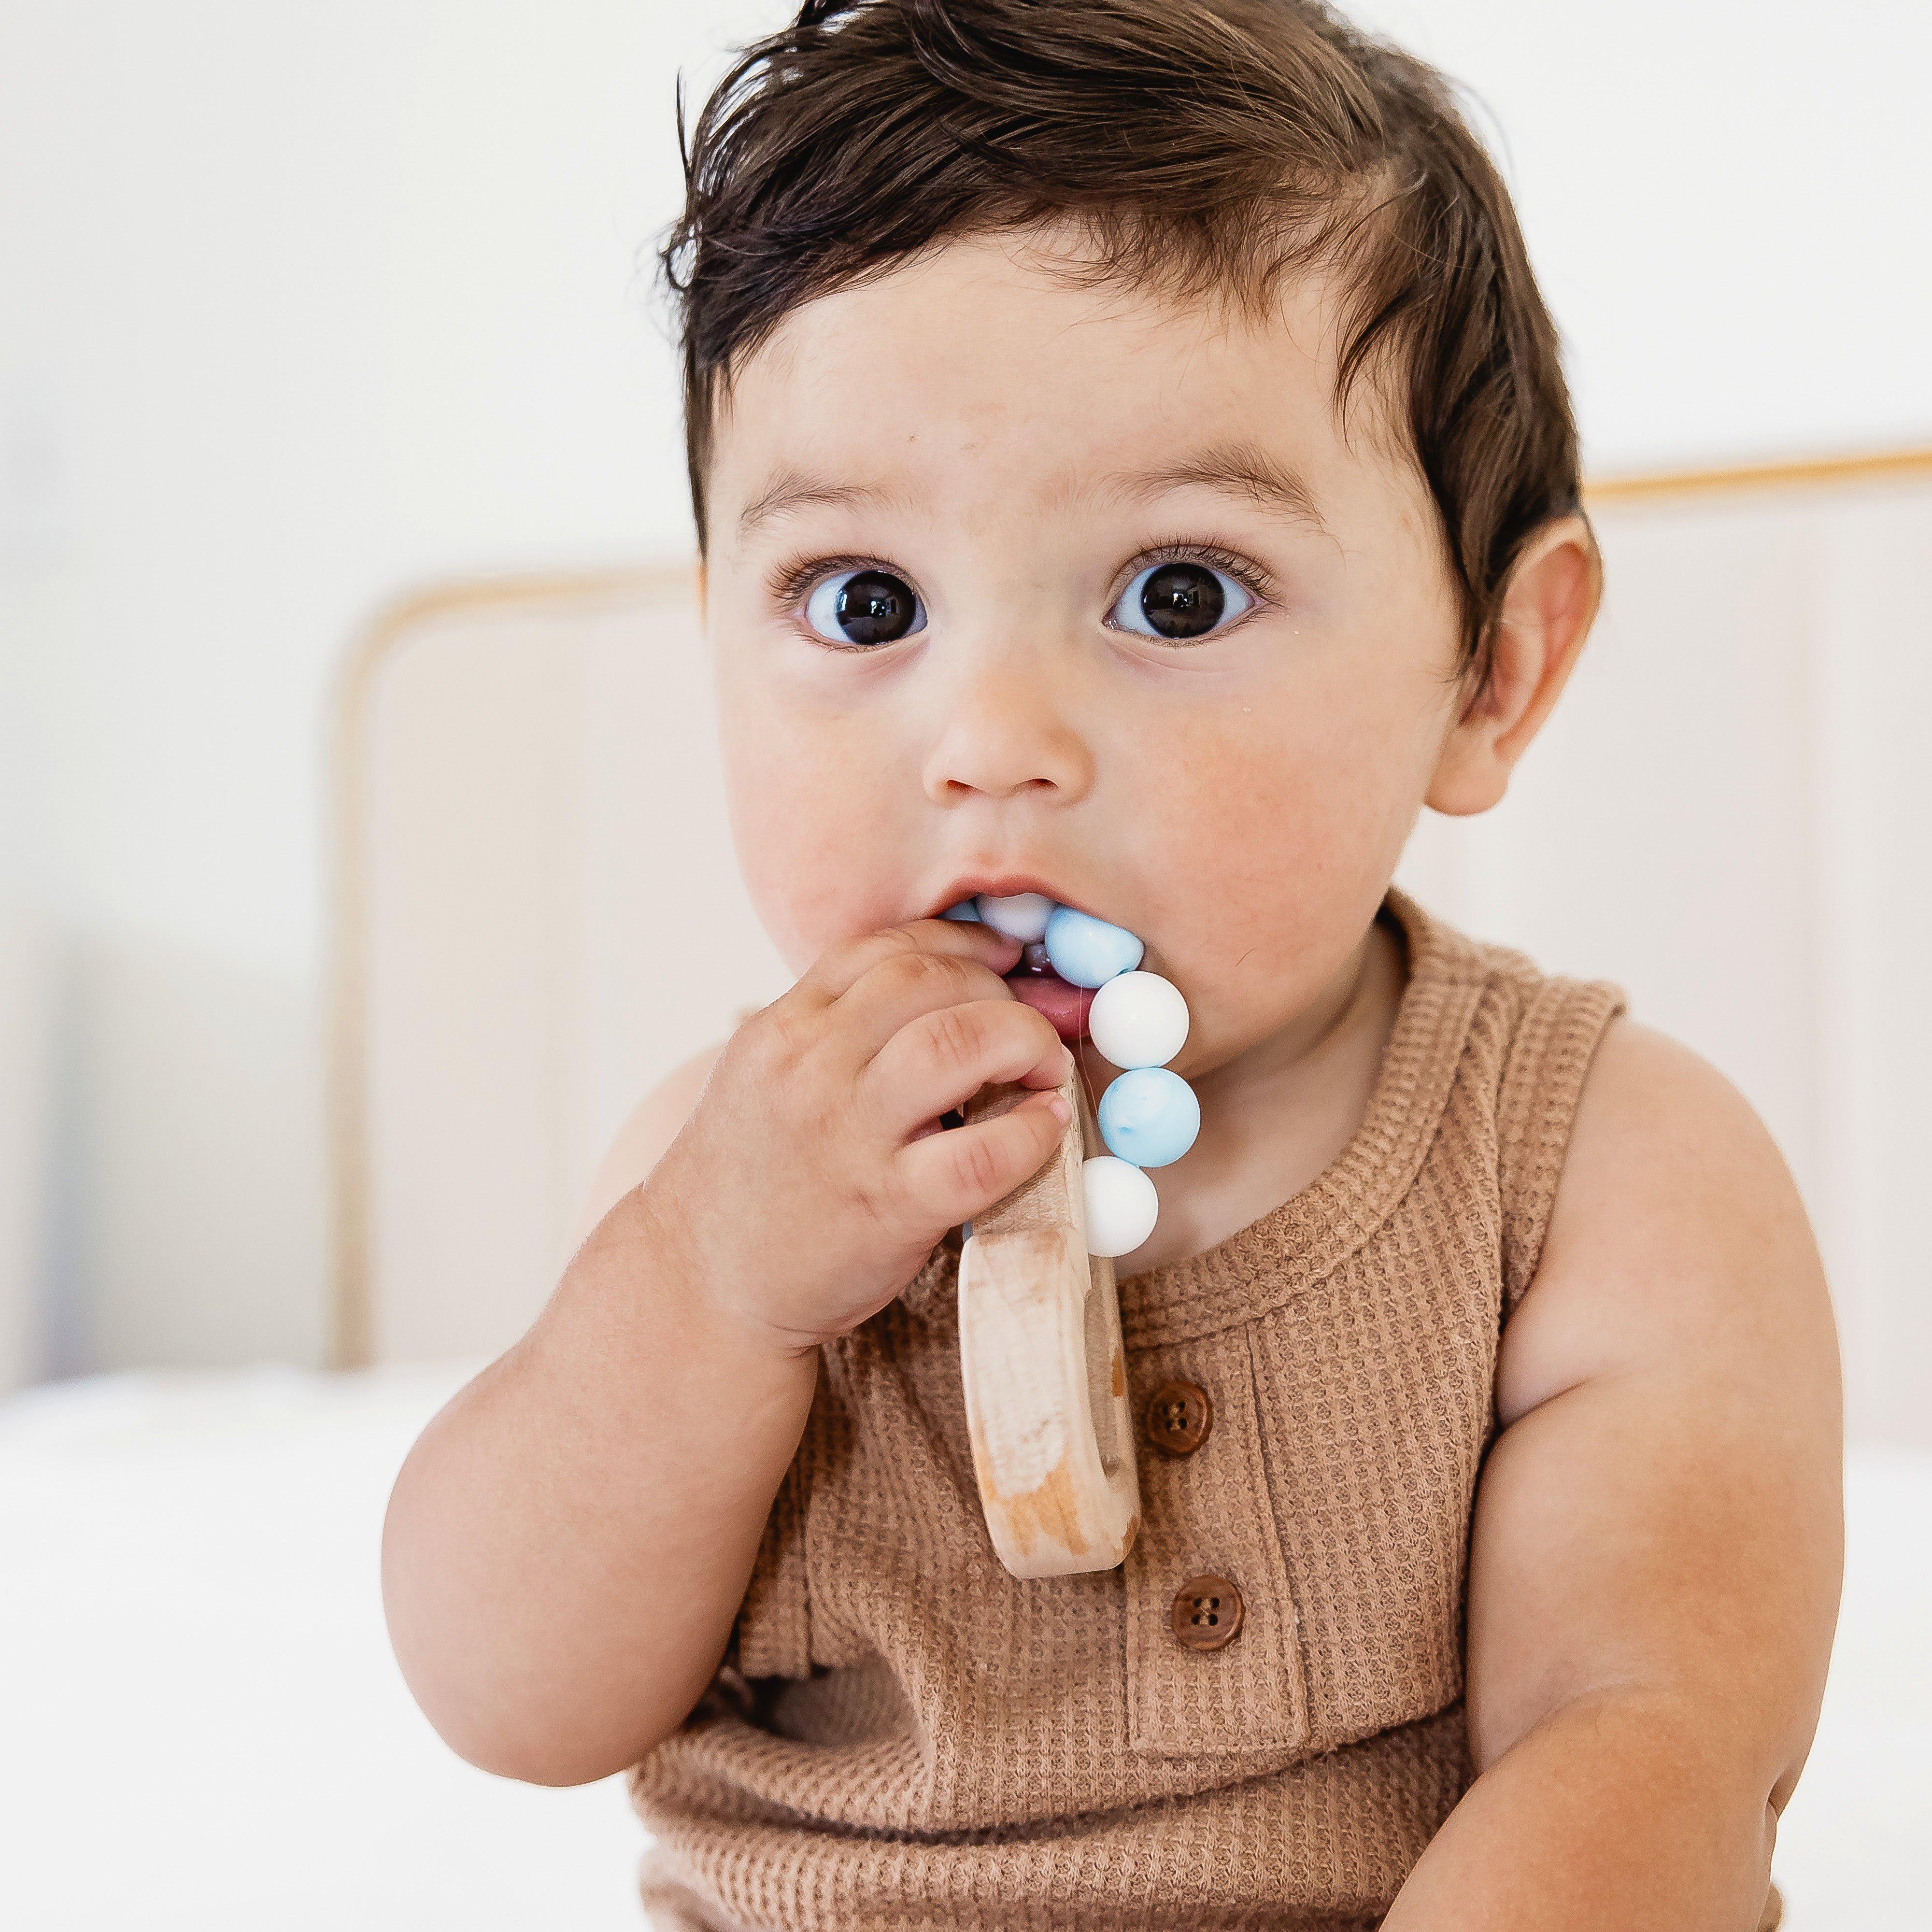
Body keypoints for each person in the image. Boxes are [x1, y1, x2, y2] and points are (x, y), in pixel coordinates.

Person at [381, 4, 1843, 1926]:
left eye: (1176, 592)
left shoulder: (1599, 1171)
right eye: (864, 601)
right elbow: (505, 1690)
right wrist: (712, 1286)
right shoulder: (719, 1168)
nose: (989, 735)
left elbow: (1642, 1742)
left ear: (1493, 666)